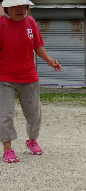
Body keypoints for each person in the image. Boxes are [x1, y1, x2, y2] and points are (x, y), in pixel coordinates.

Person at [0, 0, 62, 163]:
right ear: (6, 8)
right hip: (4, 77)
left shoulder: (31, 22)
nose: (20, 10)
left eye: (24, 6)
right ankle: (8, 148)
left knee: (34, 113)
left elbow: (37, 45)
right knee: (5, 114)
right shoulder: (1, 24)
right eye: (16, 6)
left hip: (28, 75)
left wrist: (50, 60)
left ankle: (32, 140)